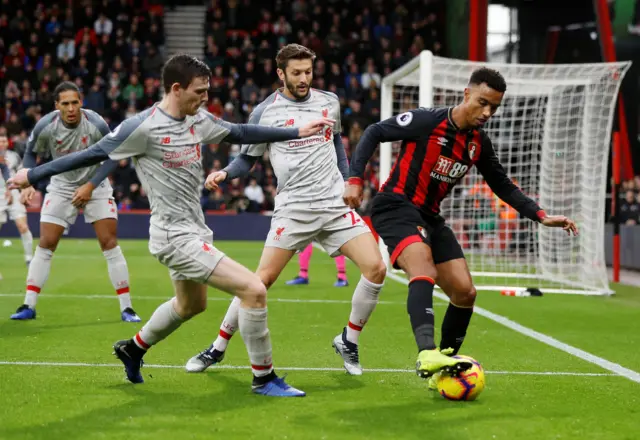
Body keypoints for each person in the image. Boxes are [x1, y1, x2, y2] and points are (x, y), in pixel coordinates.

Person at [9, 53, 333, 397]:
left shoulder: (199, 119)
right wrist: (32, 174)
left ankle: (133, 349)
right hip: (172, 236)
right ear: (176, 89)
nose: (206, 99)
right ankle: (264, 378)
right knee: (254, 290)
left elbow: (239, 132)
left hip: (195, 228)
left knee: (191, 305)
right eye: (200, 92)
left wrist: (295, 131)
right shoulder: (141, 127)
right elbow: (90, 155)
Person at [344, 67, 579, 386]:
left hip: (430, 216)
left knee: (465, 292)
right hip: (395, 206)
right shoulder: (428, 121)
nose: (487, 112)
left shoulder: (478, 143)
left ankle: (444, 362)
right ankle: (426, 353)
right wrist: (355, 179)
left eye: (494, 107)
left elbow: (503, 186)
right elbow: (373, 132)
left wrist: (540, 215)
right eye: (482, 103)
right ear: (466, 94)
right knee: (423, 267)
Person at [185, 44, 386, 377]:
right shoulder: (266, 112)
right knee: (258, 284)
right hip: (293, 210)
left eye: (308, 71)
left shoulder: (329, 101)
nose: (304, 78)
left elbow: (336, 142)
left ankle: (348, 340)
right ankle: (217, 348)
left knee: (376, 267)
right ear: (281, 74)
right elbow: (247, 158)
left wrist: (350, 178)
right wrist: (225, 173)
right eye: (297, 73)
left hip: (333, 204)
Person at [9, 82, 140, 323]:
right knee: (46, 243)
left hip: (96, 184)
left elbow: (114, 155)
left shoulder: (96, 123)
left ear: (81, 102)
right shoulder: (46, 126)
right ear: (56, 105)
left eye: (75, 102)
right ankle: (28, 305)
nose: (71, 108)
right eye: (65, 103)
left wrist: (90, 186)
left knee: (109, 242)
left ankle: (127, 308)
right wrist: (27, 179)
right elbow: (31, 152)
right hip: (61, 186)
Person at [0, 134, 33, 267]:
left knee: (23, 226)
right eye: (0, 141)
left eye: (4, 141)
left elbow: (19, 173)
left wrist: (19, 189)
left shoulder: (14, 156)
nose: (2, 143)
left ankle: (29, 258)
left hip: (13, 192)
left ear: (7, 143)